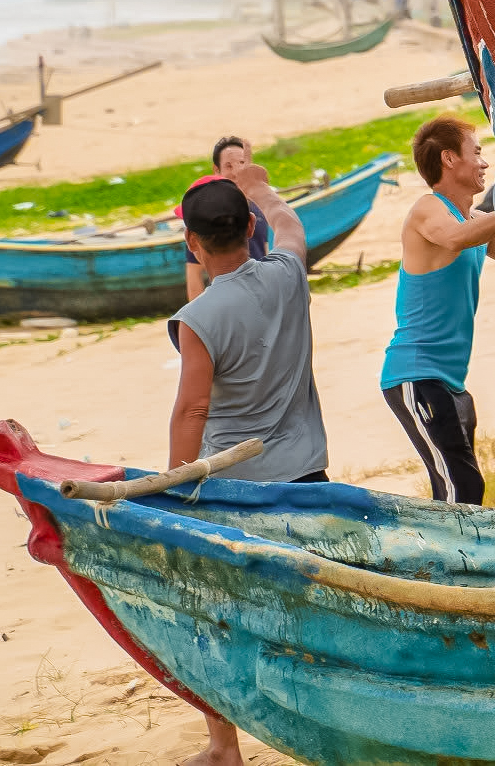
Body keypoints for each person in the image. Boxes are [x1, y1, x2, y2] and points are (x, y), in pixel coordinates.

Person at [170, 160, 329, 766]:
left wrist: (174, 488)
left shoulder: (199, 318)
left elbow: (193, 408)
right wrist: (263, 190)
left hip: (235, 490)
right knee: (308, 610)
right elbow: (291, 226)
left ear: (193, 243)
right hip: (309, 474)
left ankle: (222, 749)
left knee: (215, 617)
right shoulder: (288, 274)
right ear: (248, 228)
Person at [381, 116, 495, 503]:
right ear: (449, 159)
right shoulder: (427, 210)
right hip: (415, 374)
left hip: (451, 382)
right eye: (477, 153)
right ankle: (459, 563)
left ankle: (448, 561)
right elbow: (454, 239)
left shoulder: (476, 221)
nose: (484, 163)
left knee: (458, 489)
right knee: (461, 487)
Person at [182, 135, 267, 306]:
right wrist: (200, 316)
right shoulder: (206, 215)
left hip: (261, 298)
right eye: (229, 166)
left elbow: (265, 252)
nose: (236, 171)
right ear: (217, 170)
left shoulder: (258, 209)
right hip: (227, 303)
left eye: (242, 163)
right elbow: (194, 274)